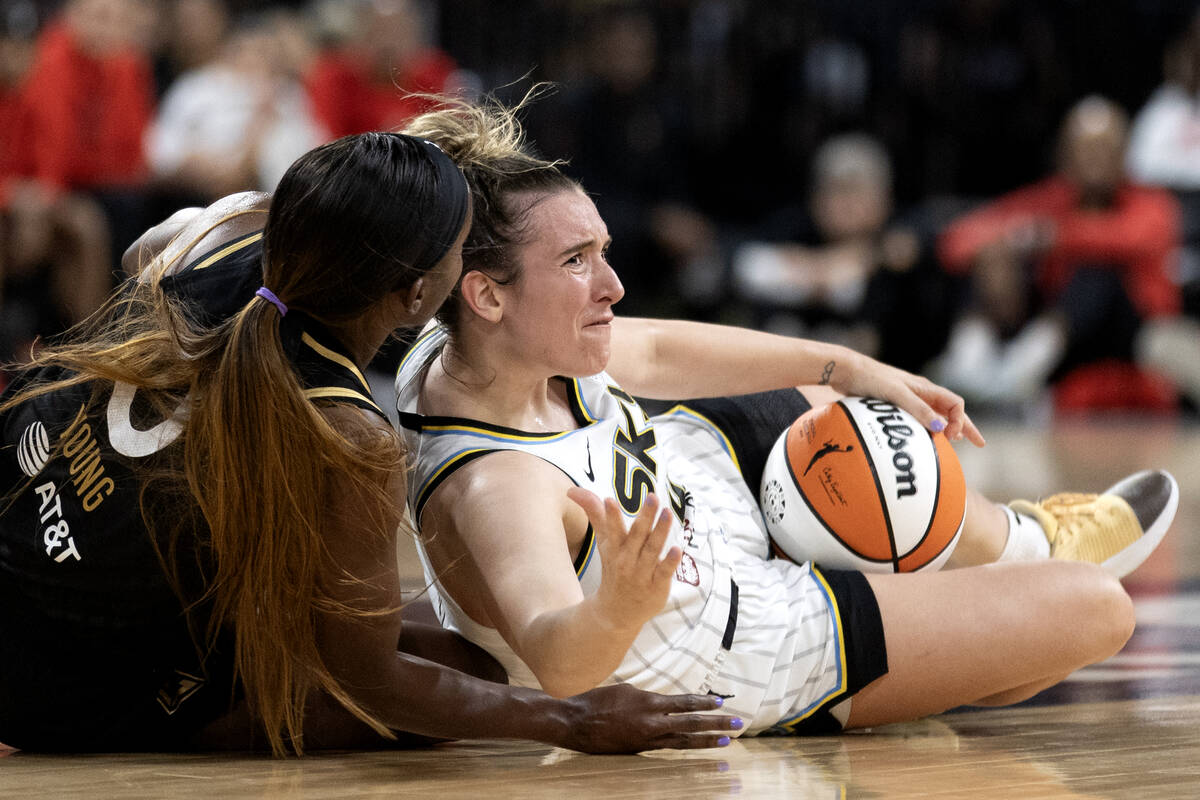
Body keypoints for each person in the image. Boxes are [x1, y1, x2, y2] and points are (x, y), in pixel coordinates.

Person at [395, 99, 1178, 736]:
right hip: (731, 643)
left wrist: (851, 365)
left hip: (692, 491)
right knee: (1096, 608)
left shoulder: (477, 344)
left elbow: (661, 352)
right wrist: (617, 604)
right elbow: (560, 662)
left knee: (844, 412)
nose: (613, 285)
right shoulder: (500, 485)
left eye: (601, 250)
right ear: (487, 295)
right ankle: (937, 634)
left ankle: (1020, 542)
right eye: (576, 262)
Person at [0, 128, 734, 755]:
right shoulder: (348, 432)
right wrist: (572, 719)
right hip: (50, 677)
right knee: (468, 682)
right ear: (418, 295)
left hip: (16, 493)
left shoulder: (229, 230)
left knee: (462, 655)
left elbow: (137, 253)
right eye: (458, 246)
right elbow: (370, 680)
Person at [935, 96, 1183, 412]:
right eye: (1083, 149)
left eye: (1104, 149)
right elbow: (957, 241)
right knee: (992, 254)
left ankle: (1019, 374)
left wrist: (1052, 236)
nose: (1094, 160)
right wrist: (999, 251)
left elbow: (1127, 239)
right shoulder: (1051, 199)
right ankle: (970, 363)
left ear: (1124, 155)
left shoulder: (1153, 204)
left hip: (1129, 341)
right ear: (1064, 155)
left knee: (1096, 273)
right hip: (1053, 334)